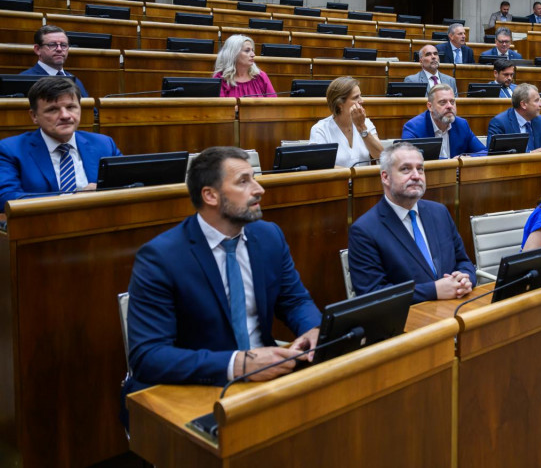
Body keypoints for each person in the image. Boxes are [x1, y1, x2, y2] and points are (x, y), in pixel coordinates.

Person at [125, 146, 321, 395]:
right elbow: (148, 356)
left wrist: (313, 329)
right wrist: (237, 364)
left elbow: (295, 301)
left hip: (268, 379)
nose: (259, 189)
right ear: (210, 196)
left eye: (254, 178)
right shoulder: (161, 257)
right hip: (200, 386)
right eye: (243, 181)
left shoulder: (269, 236)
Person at [348, 142, 476, 302]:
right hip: (407, 316)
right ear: (385, 177)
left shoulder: (439, 212)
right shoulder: (364, 230)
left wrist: (465, 279)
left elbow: (463, 261)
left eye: (420, 169)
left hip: (455, 306)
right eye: (405, 169)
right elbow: (372, 294)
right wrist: (433, 290)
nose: (416, 176)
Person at [0, 76, 121, 208]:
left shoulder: (104, 144)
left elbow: (127, 185)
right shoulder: (10, 150)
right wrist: (75, 199)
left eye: (71, 107)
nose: (65, 116)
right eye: (53, 109)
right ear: (34, 116)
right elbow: (6, 198)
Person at [309, 77, 383, 167]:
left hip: (365, 177)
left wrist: (362, 128)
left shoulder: (366, 123)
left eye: (360, 95)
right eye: (356, 97)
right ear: (340, 104)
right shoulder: (320, 129)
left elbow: (381, 157)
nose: (362, 101)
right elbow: (319, 167)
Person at [401, 84, 486, 158]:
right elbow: (408, 158)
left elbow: (484, 152)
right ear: (430, 106)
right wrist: (451, 163)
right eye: (443, 102)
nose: (449, 106)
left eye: (452, 102)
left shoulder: (462, 124)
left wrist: (468, 158)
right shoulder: (413, 127)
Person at [487, 83, 541, 152]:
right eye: (536, 101)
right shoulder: (499, 123)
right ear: (523, 104)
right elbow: (494, 154)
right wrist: (530, 154)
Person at [20, 25, 89, 96]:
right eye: (52, 45)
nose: (59, 49)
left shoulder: (76, 80)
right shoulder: (24, 80)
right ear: (37, 49)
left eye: (63, 45)